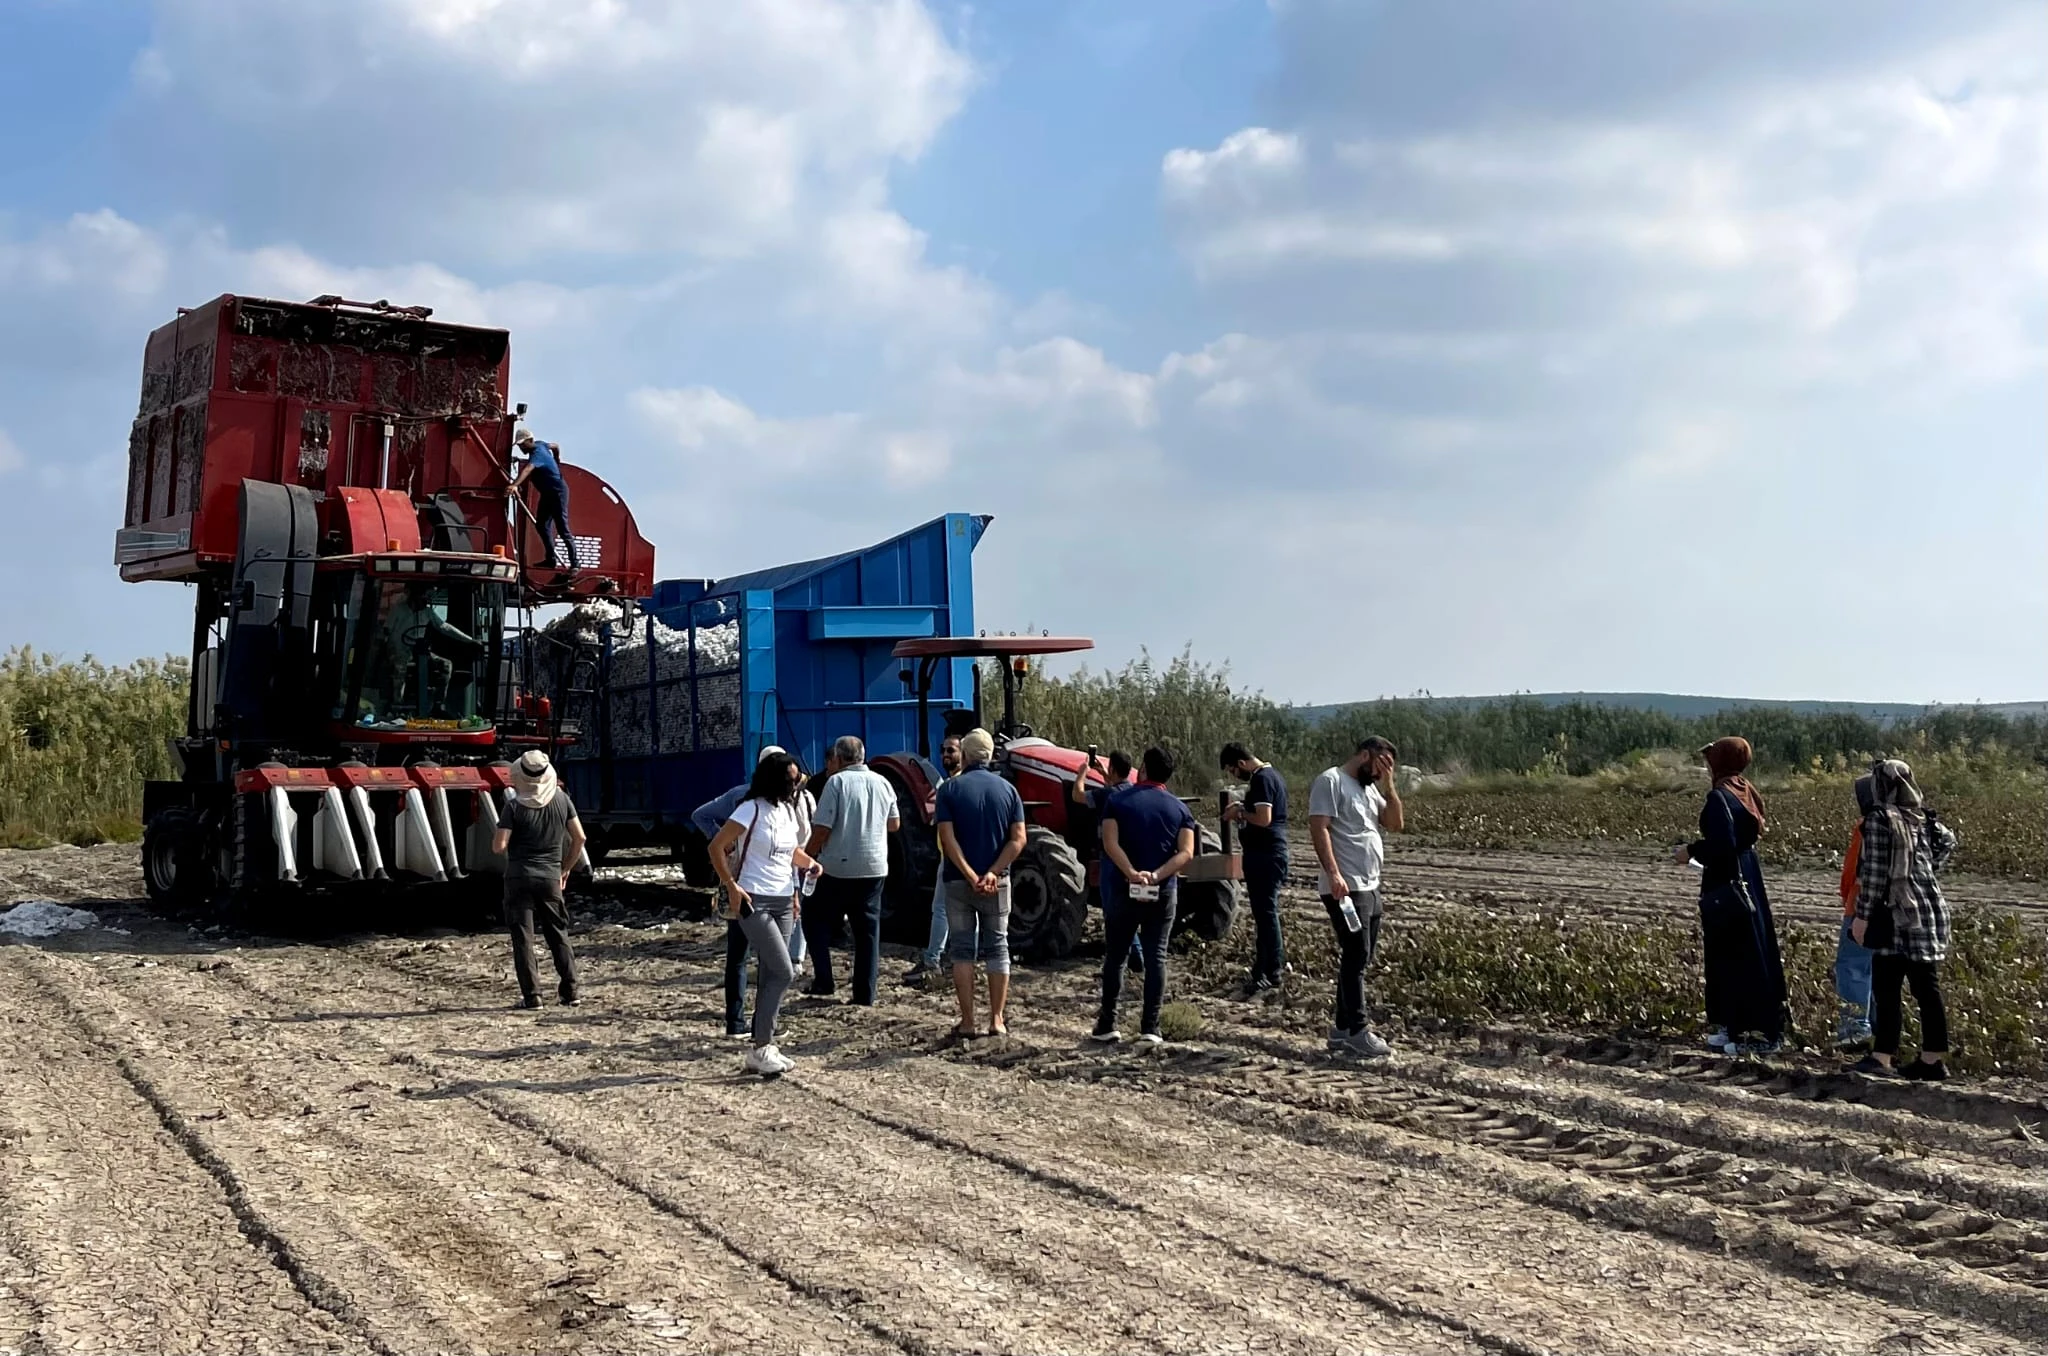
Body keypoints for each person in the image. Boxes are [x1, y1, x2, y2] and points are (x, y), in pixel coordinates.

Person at [1674, 737, 1788, 1056]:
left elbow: (1722, 844)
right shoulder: (1745, 789)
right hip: (1748, 872)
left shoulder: (1719, 796)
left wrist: (1691, 851)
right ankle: (1735, 1027)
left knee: (1732, 953)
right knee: (1751, 948)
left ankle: (1749, 1031)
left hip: (1727, 880)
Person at [707, 750, 816, 1076]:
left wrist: (807, 867)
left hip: (784, 900)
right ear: (774, 780)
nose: (795, 785)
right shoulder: (749, 809)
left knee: (772, 974)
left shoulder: (786, 811)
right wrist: (731, 885)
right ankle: (761, 1046)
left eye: (797, 780)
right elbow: (715, 847)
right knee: (784, 971)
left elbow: (790, 852)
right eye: (790, 780)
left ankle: (763, 1046)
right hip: (754, 900)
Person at [1850, 759, 1959, 1081]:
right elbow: (1948, 842)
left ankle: (1882, 1056)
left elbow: (1873, 874)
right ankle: (1932, 1059)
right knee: (1927, 986)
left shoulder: (1880, 819)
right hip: (1929, 909)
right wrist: (1922, 872)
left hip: (1897, 912)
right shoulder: (1923, 818)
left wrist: (1862, 916)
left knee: (1886, 986)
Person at [1090, 747, 1197, 1046]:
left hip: (1123, 890)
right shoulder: (1180, 810)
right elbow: (1186, 853)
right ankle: (1151, 1027)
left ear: (1144, 769)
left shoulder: (1116, 801)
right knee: (1156, 957)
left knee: (1117, 956)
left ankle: (1108, 1023)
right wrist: (1157, 875)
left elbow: (1110, 843)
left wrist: (1131, 872)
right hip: (1163, 893)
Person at [1308, 737, 1405, 1058]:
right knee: (1356, 953)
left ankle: (1340, 1030)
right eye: (1379, 766)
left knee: (1361, 956)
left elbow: (1395, 823)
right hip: (1346, 887)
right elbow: (1319, 827)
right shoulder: (1331, 781)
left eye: (1386, 769)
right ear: (1364, 755)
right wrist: (1334, 874)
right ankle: (1359, 1030)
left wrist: (1389, 785)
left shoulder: (1369, 787)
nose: (1380, 773)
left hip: (1370, 885)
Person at [934, 728, 1026, 1038]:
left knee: (962, 950)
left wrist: (970, 874)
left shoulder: (950, 790)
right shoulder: (1009, 791)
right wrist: (993, 872)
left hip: (959, 883)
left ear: (966, 755)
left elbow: (947, 839)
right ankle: (997, 1019)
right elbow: (1019, 839)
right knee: (998, 947)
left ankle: (968, 1021)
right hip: (997, 883)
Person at [802, 736, 901, 1005]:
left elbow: (822, 827)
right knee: (867, 931)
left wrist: (807, 855)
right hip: (875, 866)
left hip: (838, 867)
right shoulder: (883, 782)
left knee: (813, 918)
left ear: (838, 758)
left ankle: (824, 980)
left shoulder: (836, 783)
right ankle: (865, 994)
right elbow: (894, 824)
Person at [491, 750, 584, 1009]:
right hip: (551, 876)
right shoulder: (562, 800)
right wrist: (565, 868)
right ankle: (571, 991)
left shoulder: (513, 806)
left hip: (519, 876)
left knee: (523, 938)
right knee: (558, 933)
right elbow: (580, 838)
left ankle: (533, 997)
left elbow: (499, 846)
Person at [1221, 741, 1289, 997]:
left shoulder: (1262, 779)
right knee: (1264, 914)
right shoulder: (1272, 777)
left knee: (1266, 914)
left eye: (1232, 771)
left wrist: (1240, 811)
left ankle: (1271, 971)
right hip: (1266, 854)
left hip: (1266, 855)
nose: (1234, 776)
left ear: (1241, 763)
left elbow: (1263, 818)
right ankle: (1264, 969)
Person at [1071, 749, 1142, 974]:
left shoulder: (1105, 796)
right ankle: (1137, 955)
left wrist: (1082, 773)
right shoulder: (1133, 791)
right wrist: (1105, 776)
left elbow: (1077, 796)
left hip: (1111, 858)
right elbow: (1115, 788)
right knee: (1129, 909)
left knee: (1112, 910)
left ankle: (1117, 961)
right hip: (1132, 855)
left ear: (1113, 769)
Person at [901, 733, 963, 987]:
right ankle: (958, 959)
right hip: (951, 856)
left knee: (941, 911)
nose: (946, 755)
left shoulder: (953, 788)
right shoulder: (952, 785)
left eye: (952, 750)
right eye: (944, 750)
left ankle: (933, 960)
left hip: (953, 857)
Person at [1832, 774, 1880, 1050]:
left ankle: (1854, 1028)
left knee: (1852, 967)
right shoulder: (1903, 822)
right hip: (1888, 910)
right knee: (1876, 968)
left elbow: (1852, 871)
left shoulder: (1866, 827)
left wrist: (1847, 898)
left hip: (1860, 906)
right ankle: (1876, 1026)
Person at [512, 428, 578, 569]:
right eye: (519, 445)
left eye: (523, 444)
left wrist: (514, 485)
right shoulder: (541, 445)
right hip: (548, 494)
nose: (521, 447)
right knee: (541, 525)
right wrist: (556, 458)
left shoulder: (537, 454)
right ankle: (551, 560)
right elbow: (555, 446)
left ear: (530, 441)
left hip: (557, 492)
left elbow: (529, 468)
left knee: (562, 528)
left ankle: (575, 563)